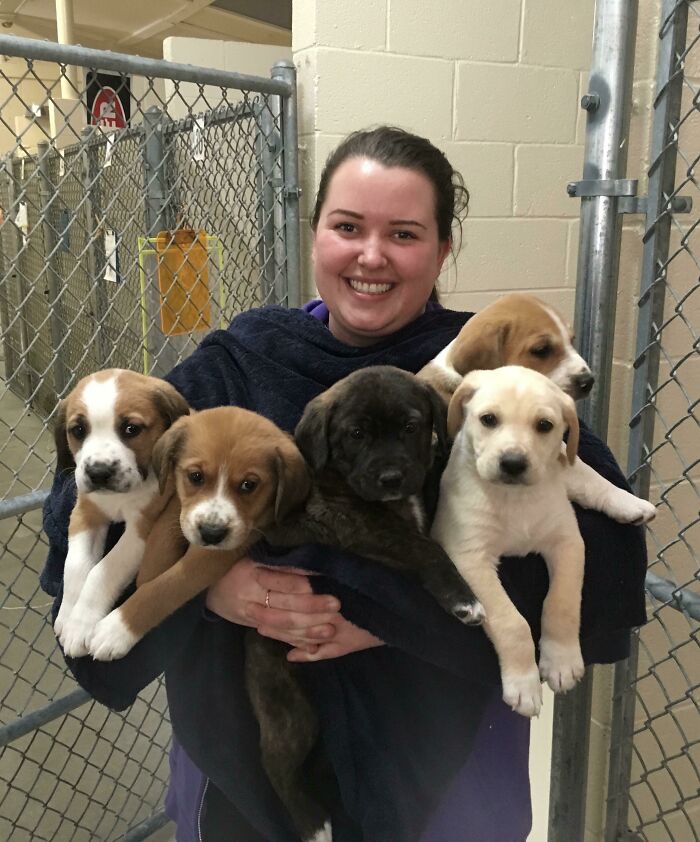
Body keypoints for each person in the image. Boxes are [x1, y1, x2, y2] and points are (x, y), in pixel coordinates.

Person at [41, 126, 647, 842]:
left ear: (443, 250)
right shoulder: (240, 360)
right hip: (248, 740)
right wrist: (214, 583)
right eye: (348, 227)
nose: (371, 255)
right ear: (316, 232)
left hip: (439, 734)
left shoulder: (486, 378)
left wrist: (386, 613)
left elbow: (607, 546)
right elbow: (85, 499)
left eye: (405, 233)